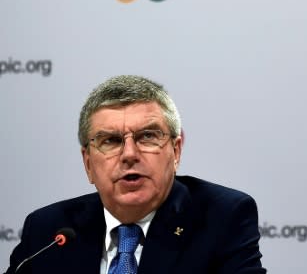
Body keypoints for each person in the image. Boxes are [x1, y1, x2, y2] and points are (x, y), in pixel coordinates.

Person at [4, 75, 267, 273]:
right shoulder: (46, 230)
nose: (129, 154)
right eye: (110, 141)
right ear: (88, 163)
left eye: (148, 136)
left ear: (175, 152)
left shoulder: (222, 217)